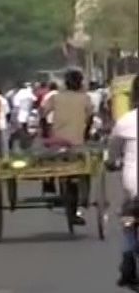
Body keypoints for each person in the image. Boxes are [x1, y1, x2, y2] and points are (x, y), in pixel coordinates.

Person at [44, 69, 94, 227]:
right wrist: (85, 132)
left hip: (57, 142)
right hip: (77, 143)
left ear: (65, 83)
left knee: (49, 162)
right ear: (80, 83)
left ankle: (49, 183)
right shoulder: (85, 98)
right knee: (82, 172)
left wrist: (46, 132)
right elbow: (90, 117)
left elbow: (42, 114)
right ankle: (79, 204)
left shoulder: (55, 98)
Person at [109, 75, 139, 289]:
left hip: (134, 185)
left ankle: (128, 254)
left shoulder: (126, 121)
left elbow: (112, 153)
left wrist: (111, 163)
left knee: (129, 217)